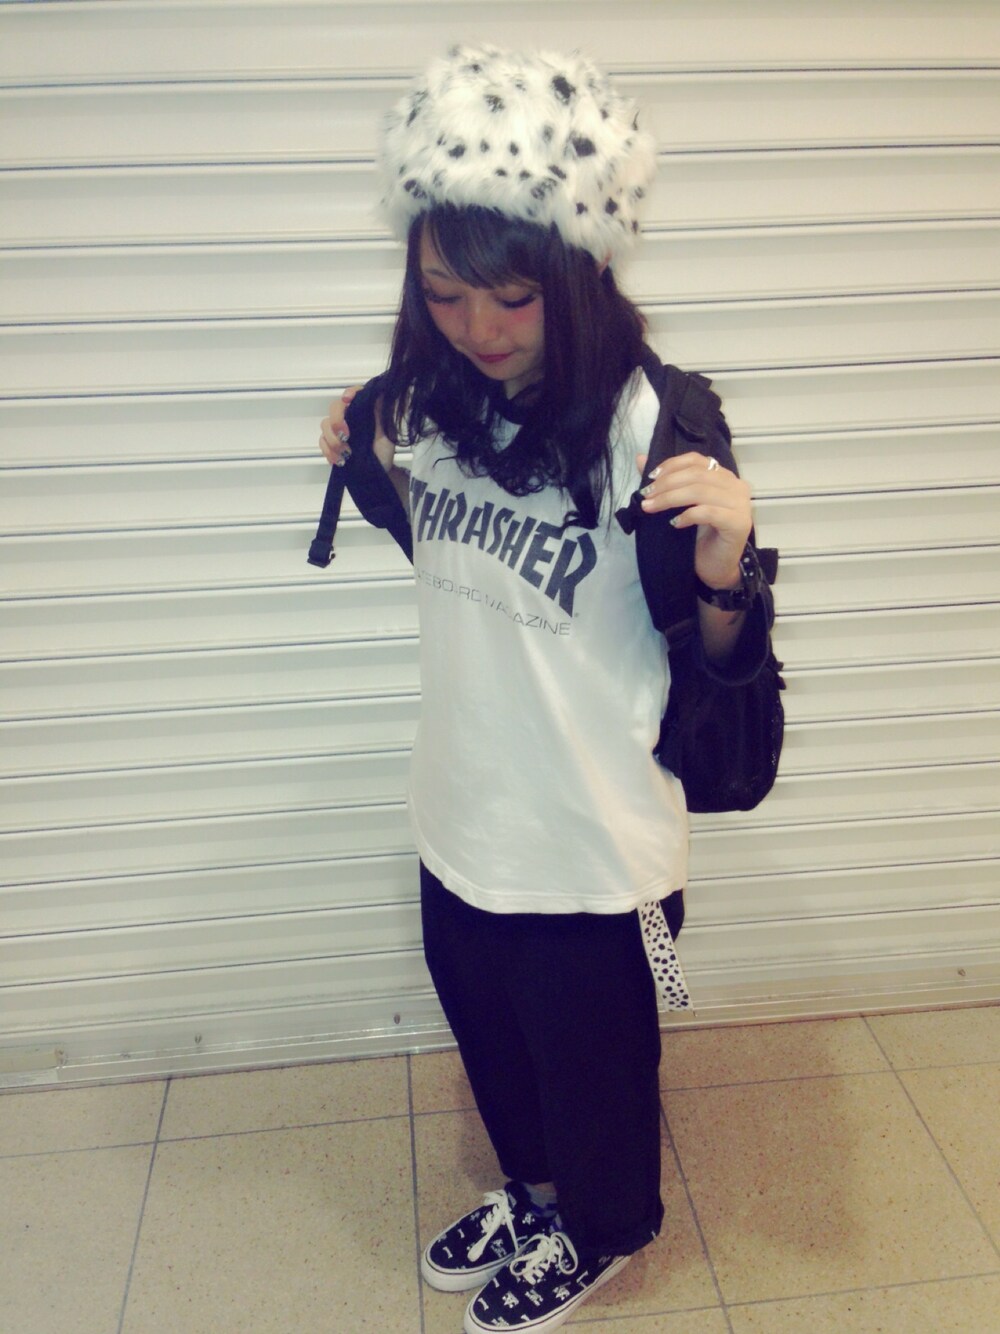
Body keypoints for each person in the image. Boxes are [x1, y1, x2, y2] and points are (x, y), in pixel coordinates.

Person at [319, 44, 754, 1334]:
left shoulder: (652, 425)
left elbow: (721, 684)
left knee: (597, 1072)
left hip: (588, 842)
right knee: (497, 1051)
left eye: (513, 297)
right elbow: (445, 558)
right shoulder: (428, 402)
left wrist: (728, 566)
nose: (481, 329)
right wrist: (365, 455)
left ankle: (604, 1231)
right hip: (462, 813)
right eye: (445, 295)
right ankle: (537, 1192)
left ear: (578, 274)